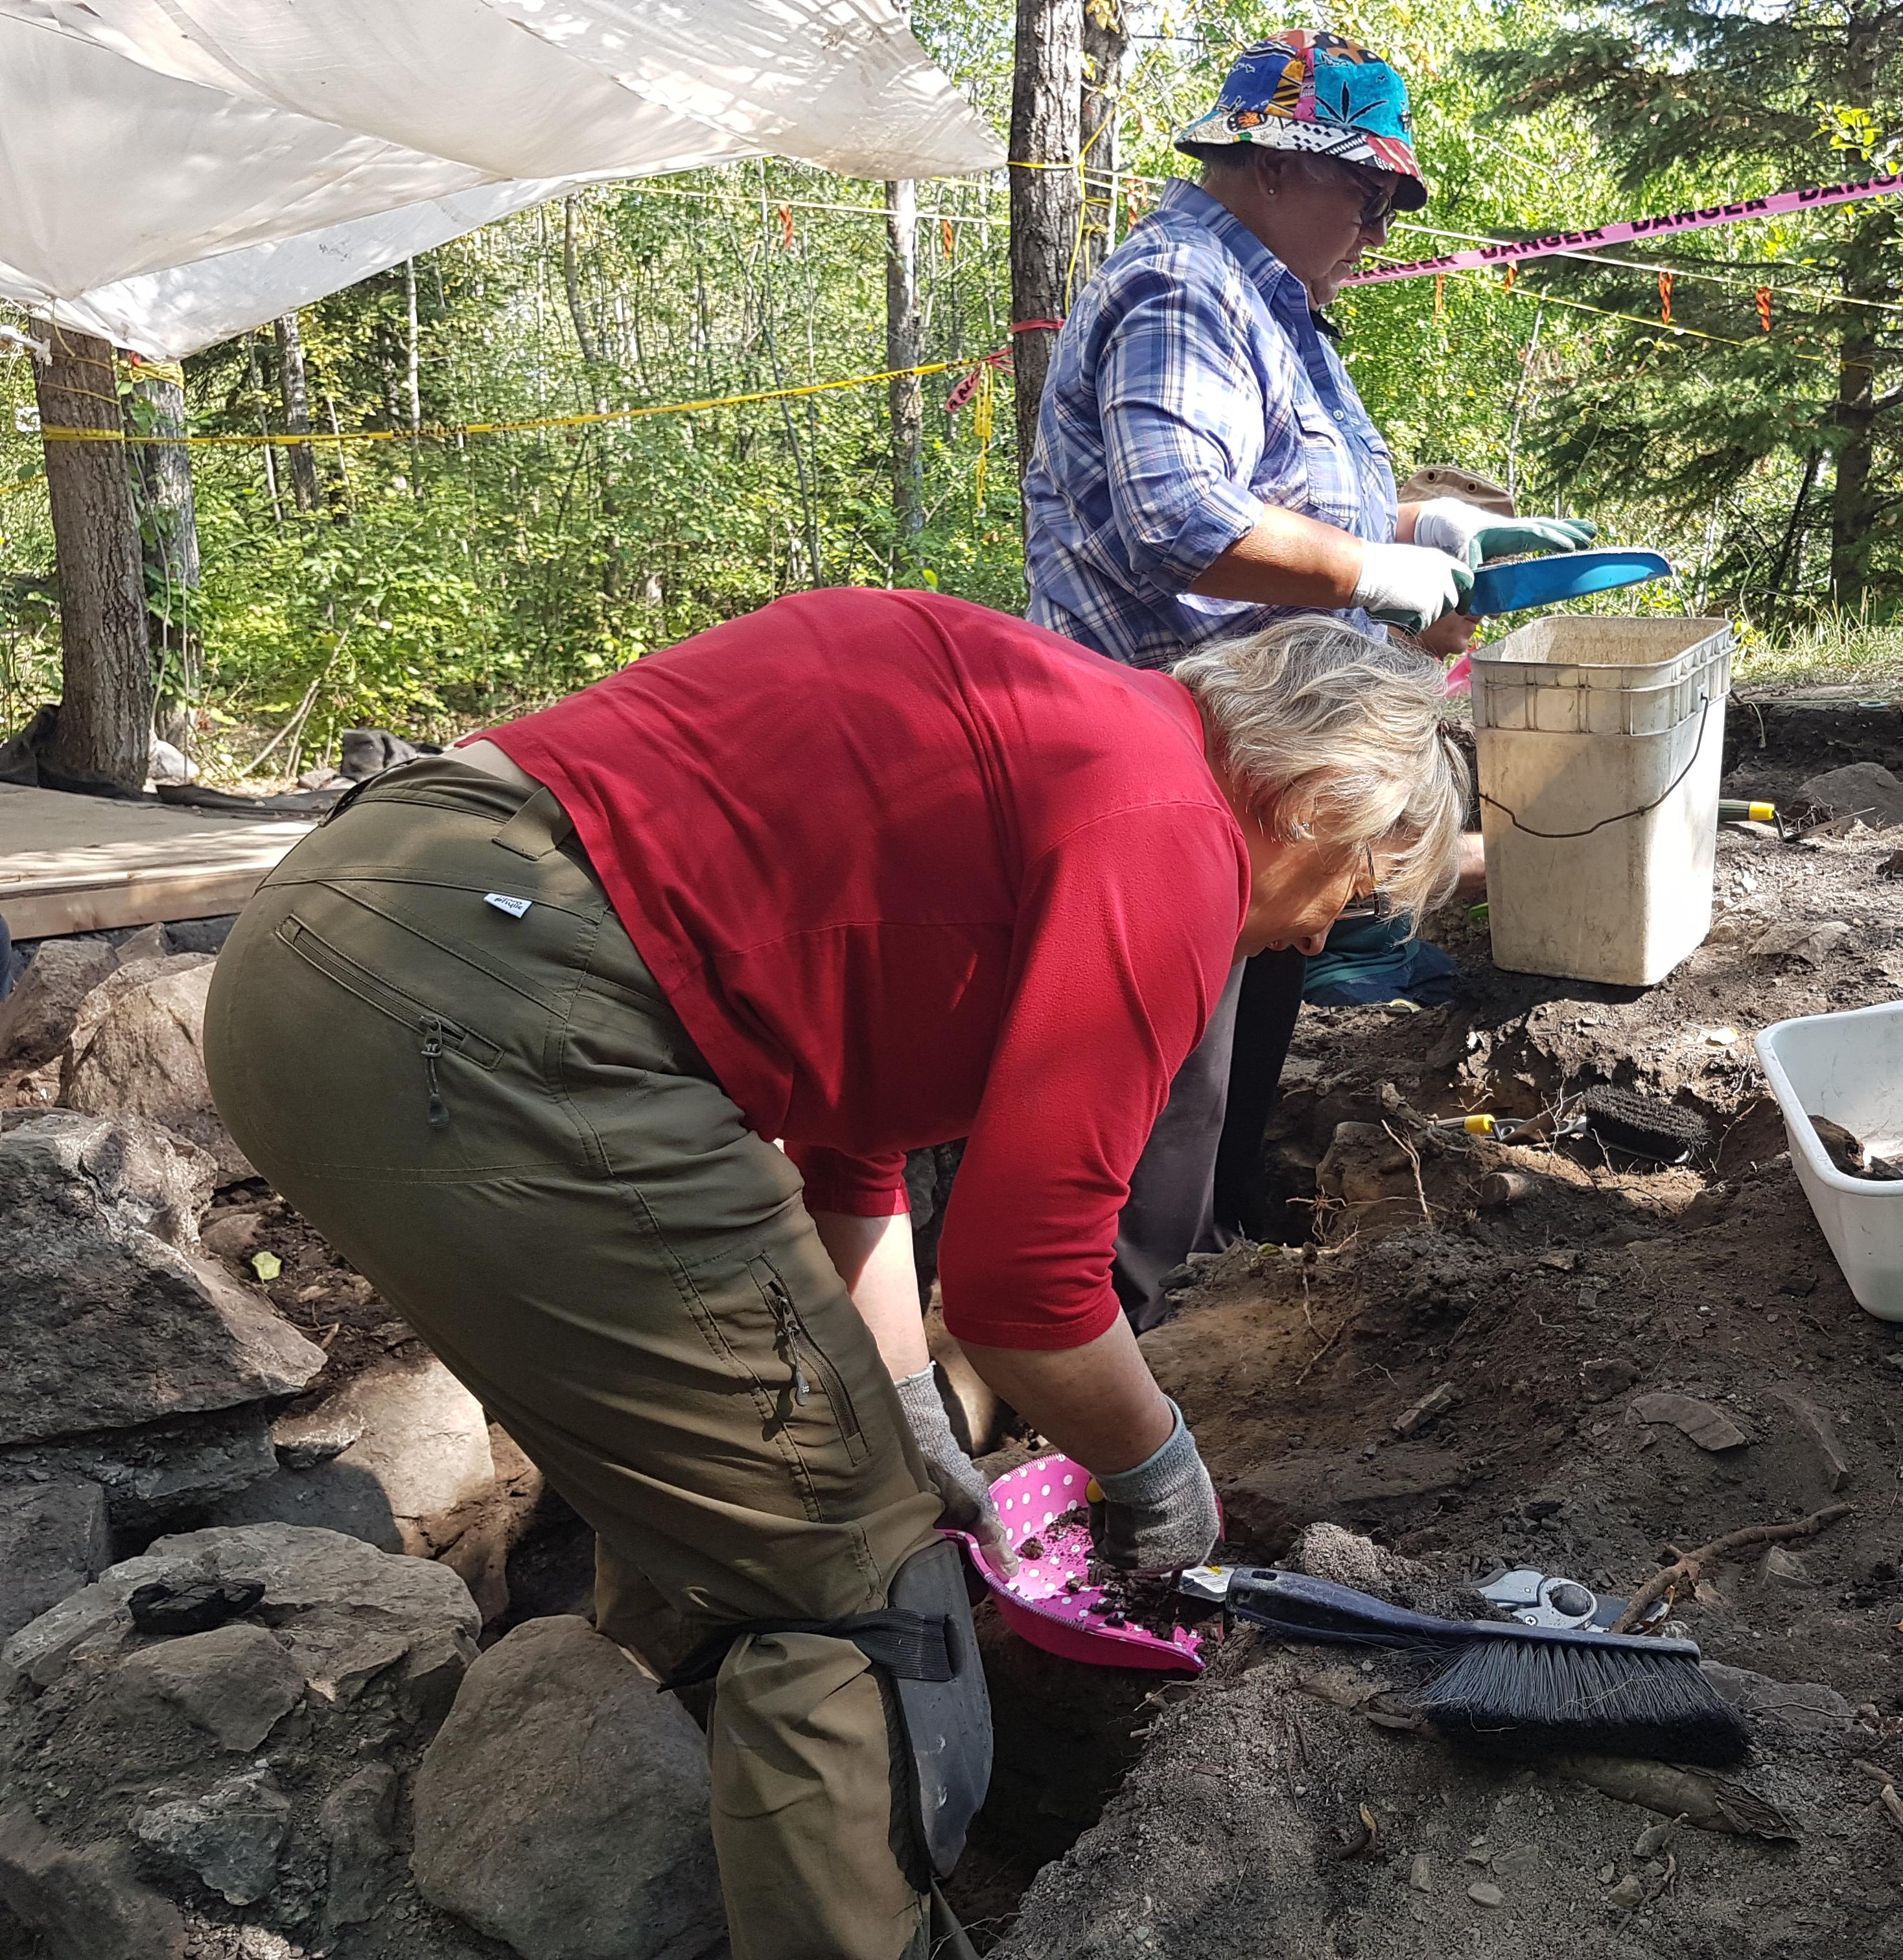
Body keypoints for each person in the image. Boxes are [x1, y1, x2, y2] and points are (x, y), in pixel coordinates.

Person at [203, 591, 1465, 1960]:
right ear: (1312, 795)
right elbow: (1028, 1292)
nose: (1329, 933)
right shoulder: (1173, 827)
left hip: (340, 930)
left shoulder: (1054, 733)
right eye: (1360, 890)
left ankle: (632, 1781)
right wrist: (1158, 1472)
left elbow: (848, 1154)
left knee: (755, 1465)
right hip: (489, 1007)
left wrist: (910, 1403)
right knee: (860, 1577)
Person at [1023, 27, 1593, 1312]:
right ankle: (1130, 1349)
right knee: (1171, 1088)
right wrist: (1374, 580)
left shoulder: (1271, 305)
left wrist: (1429, 541)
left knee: (1238, 1063)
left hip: (1267, 761)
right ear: (1275, 163)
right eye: (1372, 191)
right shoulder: (1183, 289)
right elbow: (1178, 516)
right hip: (1170, 760)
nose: (1384, 227)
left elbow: (1287, 503)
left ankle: (1210, 1296)